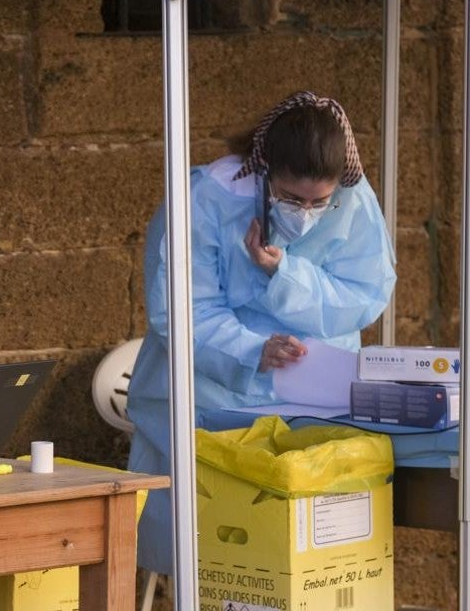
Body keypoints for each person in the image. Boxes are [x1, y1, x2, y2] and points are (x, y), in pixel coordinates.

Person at [126, 91, 397, 575]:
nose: (306, 211)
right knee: (219, 556)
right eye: (292, 198)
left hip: (313, 405)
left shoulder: (353, 198)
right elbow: (181, 309)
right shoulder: (207, 197)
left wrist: (285, 276)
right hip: (209, 402)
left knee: (308, 566)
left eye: (320, 202)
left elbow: (366, 292)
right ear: (265, 168)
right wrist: (253, 350)